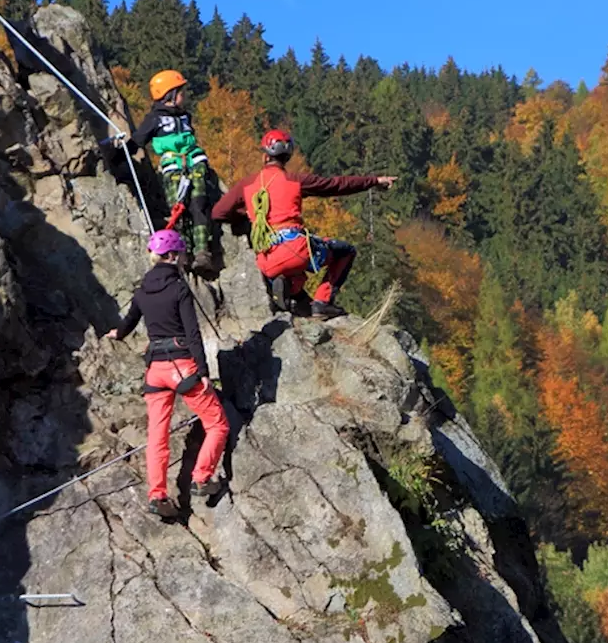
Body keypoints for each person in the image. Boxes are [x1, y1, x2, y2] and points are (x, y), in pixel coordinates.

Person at [106, 229, 229, 518]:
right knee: (217, 424)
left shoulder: (142, 290)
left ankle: (157, 494)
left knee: (157, 436)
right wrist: (203, 370)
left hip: (155, 371)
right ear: (173, 256)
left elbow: (129, 322)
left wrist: (117, 333)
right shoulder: (178, 288)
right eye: (182, 254)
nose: (184, 258)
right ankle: (202, 477)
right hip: (181, 365)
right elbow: (192, 331)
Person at [212, 129, 397, 318]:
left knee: (291, 269)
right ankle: (322, 302)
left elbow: (218, 212)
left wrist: (247, 216)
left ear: (264, 157)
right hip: (295, 251)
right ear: (287, 157)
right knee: (344, 251)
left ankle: (288, 289)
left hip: (265, 258)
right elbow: (336, 185)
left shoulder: (247, 184)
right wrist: (374, 181)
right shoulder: (296, 181)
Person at [120, 70, 216, 275]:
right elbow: (138, 140)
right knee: (178, 209)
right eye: (181, 92)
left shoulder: (185, 117)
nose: (185, 96)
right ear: (169, 95)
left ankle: (202, 252)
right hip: (173, 166)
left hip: (194, 162)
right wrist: (120, 154)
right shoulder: (154, 119)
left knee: (198, 204)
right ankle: (184, 253)